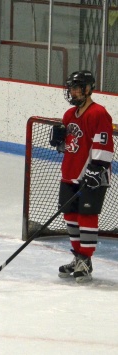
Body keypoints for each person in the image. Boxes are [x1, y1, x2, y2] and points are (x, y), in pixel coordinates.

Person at [49, 70, 114, 283]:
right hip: (69, 174)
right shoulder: (69, 115)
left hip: (92, 175)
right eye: (71, 89)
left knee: (87, 217)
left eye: (76, 88)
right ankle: (78, 257)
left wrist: (96, 168)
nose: (72, 92)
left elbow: (103, 144)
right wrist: (59, 141)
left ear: (87, 89)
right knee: (70, 215)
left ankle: (86, 260)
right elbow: (70, 146)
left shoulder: (98, 113)